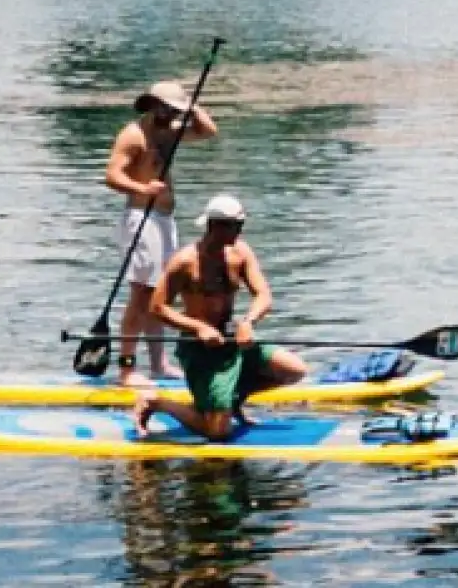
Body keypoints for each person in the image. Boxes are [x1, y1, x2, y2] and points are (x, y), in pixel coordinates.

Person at [132, 195, 307, 441]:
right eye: (236, 226)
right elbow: (157, 308)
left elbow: (264, 295)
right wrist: (199, 327)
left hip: (232, 340)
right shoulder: (185, 261)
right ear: (215, 226)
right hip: (199, 349)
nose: (241, 231)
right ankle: (156, 402)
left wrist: (248, 322)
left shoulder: (241, 252)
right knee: (218, 432)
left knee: (294, 370)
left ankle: (231, 401)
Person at [104, 80, 218, 388]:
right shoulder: (133, 136)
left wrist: (192, 106)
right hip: (141, 218)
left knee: (161, 293)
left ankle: (158, 364)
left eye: (175, 110)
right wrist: (143, 188)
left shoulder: (170, 131)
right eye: (167, 108)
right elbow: (112, 175)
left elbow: (208, 131)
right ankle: (127, 369)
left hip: (164, 220)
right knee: (141, 294)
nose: (172, 114)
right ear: (153, 105)